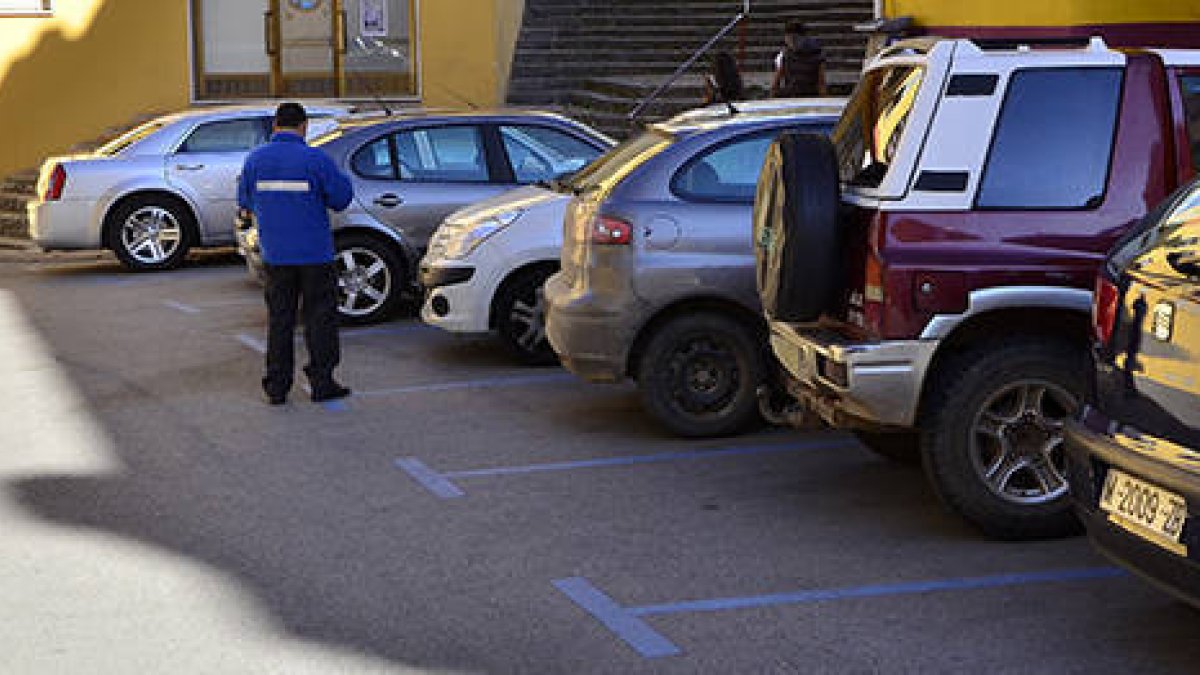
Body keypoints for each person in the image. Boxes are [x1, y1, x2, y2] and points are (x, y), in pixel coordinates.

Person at [237, 102, 354, 405]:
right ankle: (322, 382)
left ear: (275, 126)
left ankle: (277, 387)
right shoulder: (316, 159)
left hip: (276, 254)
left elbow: (245, 201)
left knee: (280, 321)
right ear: (304, 126)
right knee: (320, 319)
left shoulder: (255, 160)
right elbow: (341, 199)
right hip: (315, 254)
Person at [770, 20, 827, 98]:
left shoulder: (816, 55)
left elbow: (821, 82)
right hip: (801, 96)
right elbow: (821, 83)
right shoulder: (785, 56)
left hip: (801, 97)